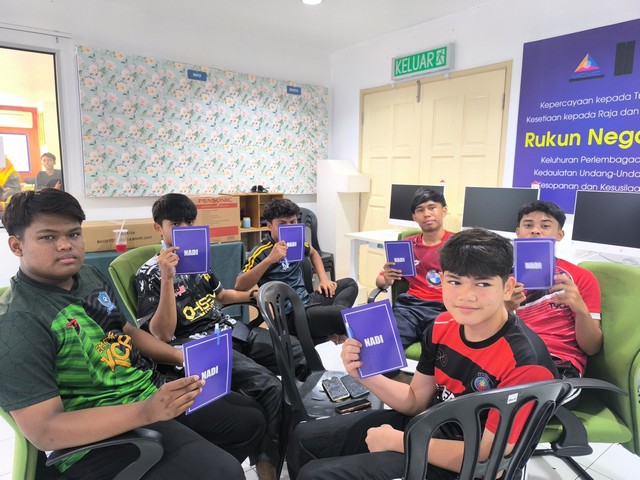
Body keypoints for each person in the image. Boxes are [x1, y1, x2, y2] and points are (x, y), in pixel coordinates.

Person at [0, 189, 267, 479]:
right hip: (97, 435)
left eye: (74, 234)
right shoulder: (18, 323)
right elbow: (44, 431)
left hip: (145, 391)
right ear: (17, 246)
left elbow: (125, 330)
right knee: (223, 471)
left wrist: (180, 357)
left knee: (249, 420)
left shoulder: (88, 276)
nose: (66, 245)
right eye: (48, 237)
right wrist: (146, 411)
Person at [286, 228, 558, 480]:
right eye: (455, 281)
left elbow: (490, 460)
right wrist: (362, 374)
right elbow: (416, 401)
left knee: (317, 475)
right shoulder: (442, 326)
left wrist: (399, 442)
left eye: (483, 284)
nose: (466, 296)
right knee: (303, 437)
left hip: (470, 463)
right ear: (442, 281)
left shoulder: (526, 363)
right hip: (430, 425)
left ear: (507, 287)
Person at [136, 192, 301, 480]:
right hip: (200, 344)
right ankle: (268, 468)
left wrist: (253, 296)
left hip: (228, 330)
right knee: (270, 386)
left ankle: (298, 437)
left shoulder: (199, 259)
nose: (185, 230)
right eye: (176, 224)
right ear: (158, 228)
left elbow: (222, 296)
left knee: (294, 352)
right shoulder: (150, 272)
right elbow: (162, 333)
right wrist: (168, 277)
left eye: (190, 223)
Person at [507, 200, 603, 406]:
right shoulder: (502, 277)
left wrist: (581, 309)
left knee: (509, 402)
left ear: (559, 235)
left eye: (545, 225)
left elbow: (592, 347)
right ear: (518, 232)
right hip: (509, 357)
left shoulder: (580, 278)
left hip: (558, 363)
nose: (535, 231)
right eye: (528, 225)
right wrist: (505, 309)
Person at [236, 198, 358, 345]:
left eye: (293, 222)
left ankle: (329, 328)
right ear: (269, 226)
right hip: (291, 315)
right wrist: (269, 260)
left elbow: (313, 253)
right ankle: (330, 326)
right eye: (282, 224)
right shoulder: (261, 251)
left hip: (307, 301)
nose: (289, 228)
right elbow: (239, 285)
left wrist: (324, 279)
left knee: (350, 284)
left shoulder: (297, 241)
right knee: (343, 315)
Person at [376, 187, 453, 352]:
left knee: (441, 353)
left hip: (445, 309)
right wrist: (386, 279)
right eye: (420, 210)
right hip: (409, 308)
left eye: (432, 207)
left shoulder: (458, 244)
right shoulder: (407, 245)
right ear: (414, 217)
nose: (427, 214)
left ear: (444, 210)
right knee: (385, 346)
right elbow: (380, 282)